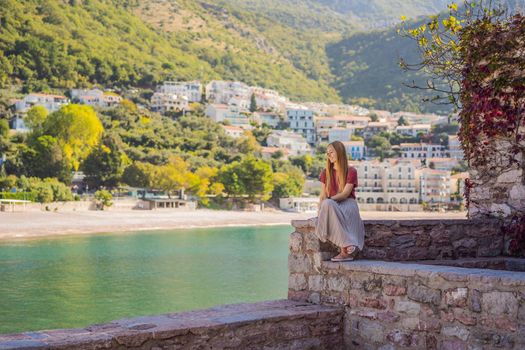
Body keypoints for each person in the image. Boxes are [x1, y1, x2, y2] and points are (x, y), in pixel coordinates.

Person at [314, 141, 365, 262]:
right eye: (327, 153)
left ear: (339, 152)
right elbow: (323, 196)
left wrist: (328, 201)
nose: (329, 155)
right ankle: (347, 248)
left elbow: (345, 194)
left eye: (331, 152)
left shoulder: (351, 171)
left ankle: (344, 251)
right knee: (326, 205)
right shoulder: (325, 173)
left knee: (328, 204)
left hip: (348, 203)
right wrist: (320, 211)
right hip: (331, 205)